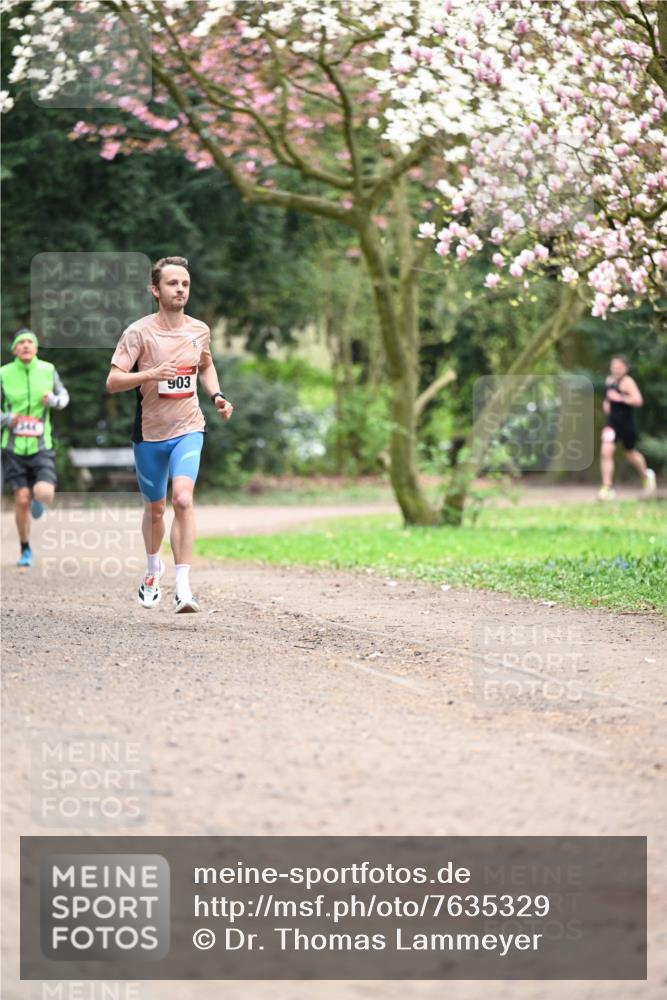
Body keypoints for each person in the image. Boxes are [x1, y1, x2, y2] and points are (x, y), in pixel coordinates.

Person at [106, 256, 233, 613]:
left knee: (182, 500)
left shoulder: (199, 330)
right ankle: (151, 572)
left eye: (185, 284)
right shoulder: (138, 332)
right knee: (155, 507)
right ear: (155, 290)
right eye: (173, 283)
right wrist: (149, 374)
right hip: (149, 434)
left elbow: (205, 365)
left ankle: (183, 587)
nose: (180, 289)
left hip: (189, 428)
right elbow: (113, 381)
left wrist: (217, 396)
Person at [0, 329, 70, 567]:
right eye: (21, 343)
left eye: (30, 342)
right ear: (15, 350)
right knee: (20, 499)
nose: (26, 345)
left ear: (36, 348)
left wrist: (54, 401)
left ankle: (37, 501)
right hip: (13, 447)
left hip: (42, 446)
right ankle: (25, 548)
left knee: (44, 493)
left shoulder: (48, 370)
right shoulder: (4, 373)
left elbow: (64, 397)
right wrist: (7, 419)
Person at [598, 354, 656, 501]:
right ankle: (607, 487)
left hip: (627, 425)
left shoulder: (628, 382)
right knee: (605, 451)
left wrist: (621, 398)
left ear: (625, 368)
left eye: (619, 367)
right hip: (612, 424)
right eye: (613, 367)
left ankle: (646, 476)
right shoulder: (609, 380)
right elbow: (608, 398)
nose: (616, 370)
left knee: (630, 454)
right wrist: (607, 404)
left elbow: (638, 400)